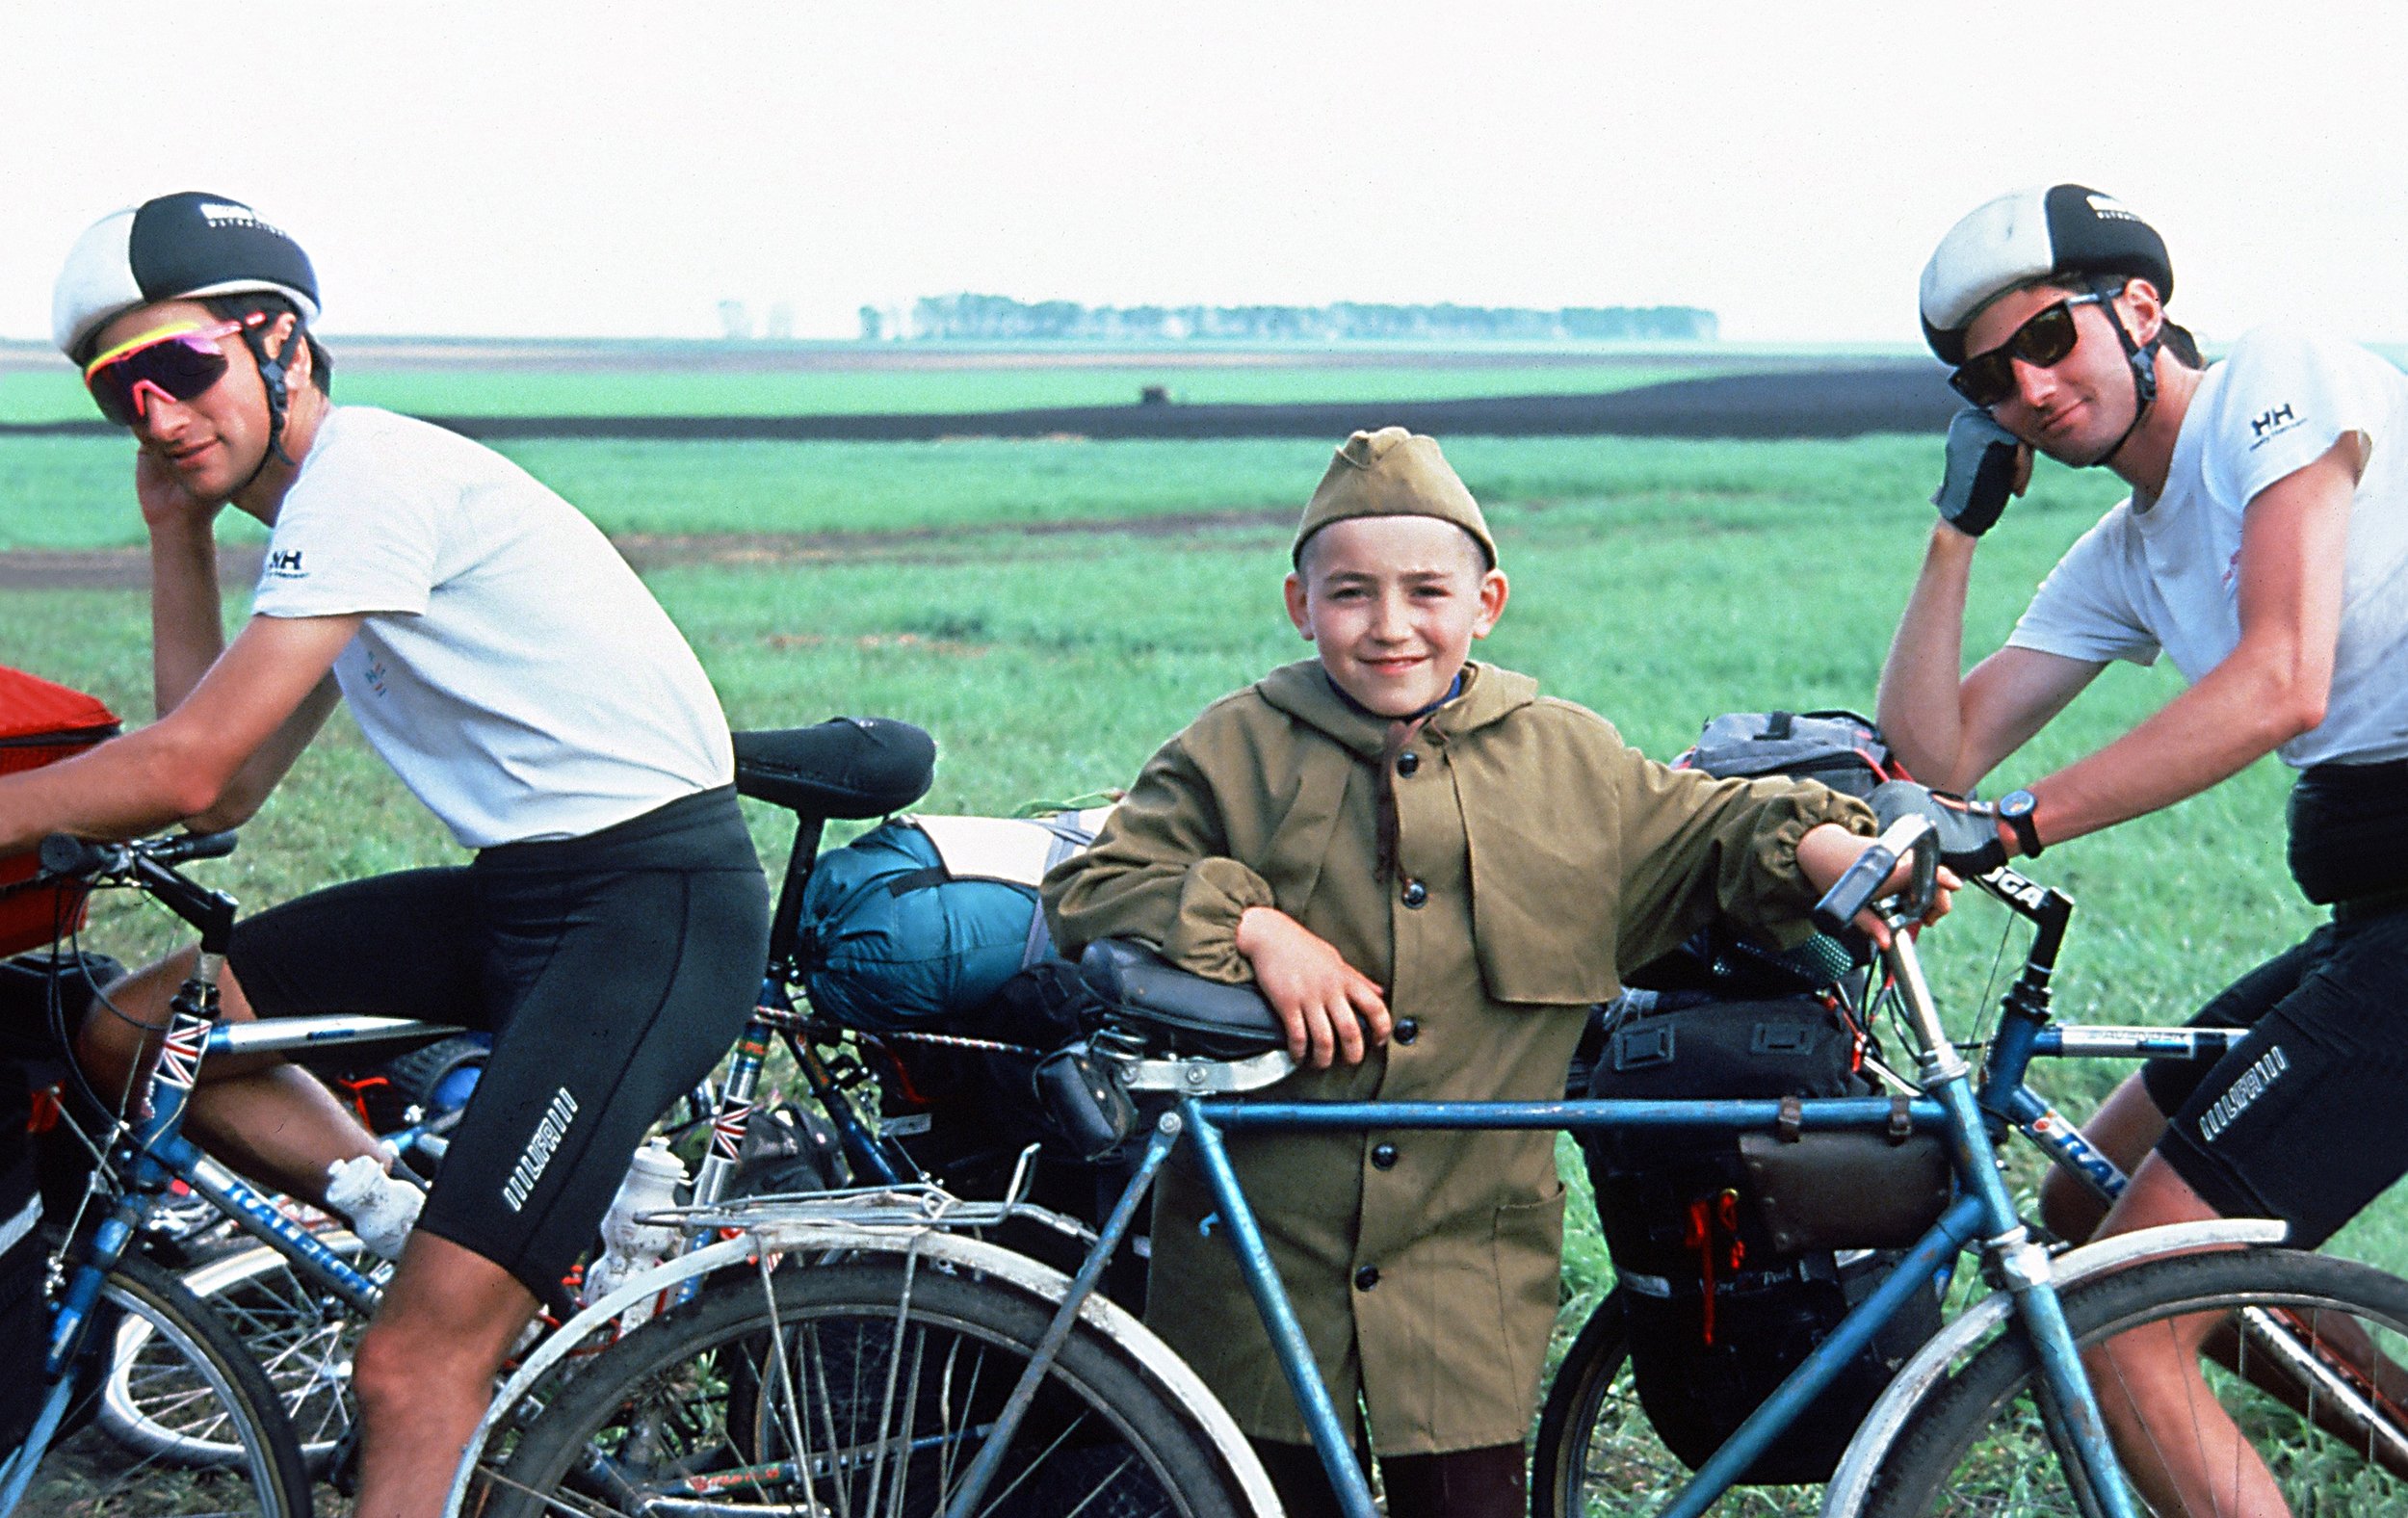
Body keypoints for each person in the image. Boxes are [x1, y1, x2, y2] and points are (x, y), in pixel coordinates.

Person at [10, 192, 770, 1517]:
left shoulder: (369, 477)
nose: (157, 414)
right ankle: (386, 1208)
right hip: (531, 894)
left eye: (178, 370)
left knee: (414, 1367)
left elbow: (186, 770)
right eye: (117, 393)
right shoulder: (322, 518)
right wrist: (177, 534)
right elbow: (222, 784)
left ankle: (455, 1303)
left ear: (280, 343)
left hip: (646, 908)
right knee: (140, 1028)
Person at [1044, 427, 1936, 1518]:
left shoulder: (1565, 757)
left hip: (1464, 1260)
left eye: (1426, 591)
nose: (1389, 626)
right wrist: (1260, 930)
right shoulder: (1232, 747)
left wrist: (1832, 850)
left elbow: (1712, 833)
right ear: (1297, 603)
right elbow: (1099, 883)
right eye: (1350, 594)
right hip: (1253, 1261)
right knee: (1253, 1497)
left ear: (1487, 602)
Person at [1879, 182, 2408, 1514]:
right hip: (2376, 911)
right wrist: (1957, 530)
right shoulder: (2122, 553)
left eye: (2049, 342)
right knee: (2080, 1217)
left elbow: (2283, 679)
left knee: (2124, 1314)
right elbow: (1931, 757)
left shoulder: (2274, 384)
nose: (2033, 393)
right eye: (1990, 382)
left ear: (2139, 307)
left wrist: (2014, 827)